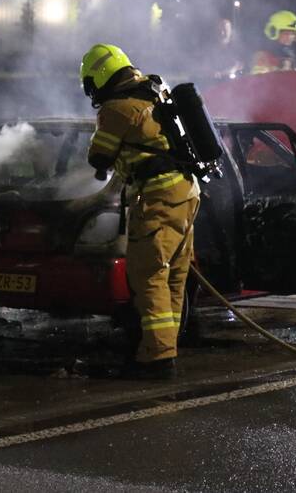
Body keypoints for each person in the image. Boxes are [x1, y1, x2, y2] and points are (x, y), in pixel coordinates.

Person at [80, 43, 200, 380]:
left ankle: (156, 358)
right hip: (187, 192)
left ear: (100, 75)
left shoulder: (116, 109)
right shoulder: (154, 93)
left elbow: (98, 157)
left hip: (158, 197)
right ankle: (165, 346)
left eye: (91, 83)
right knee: (174, 275)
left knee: (148, 277)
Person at [251, 10, 296, 74]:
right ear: (273, 32)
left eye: (292, 34)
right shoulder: (263, 55)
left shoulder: (293, 54)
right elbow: (257, 79)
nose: (290, 37)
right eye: (286, 33)